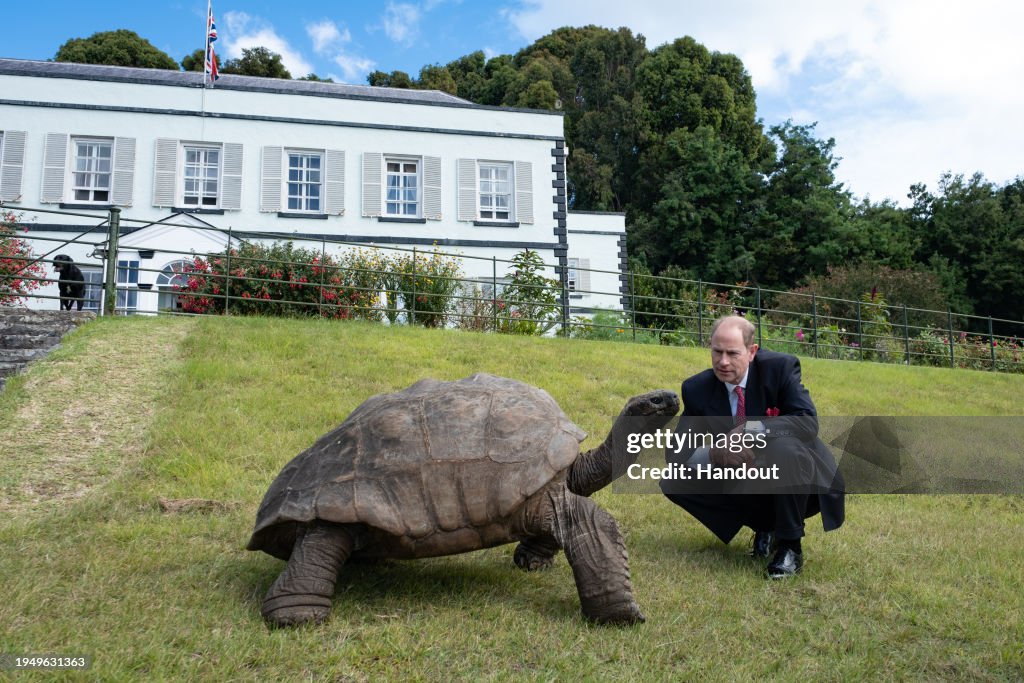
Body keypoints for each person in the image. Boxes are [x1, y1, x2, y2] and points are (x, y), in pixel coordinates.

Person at [661, 314, 844, 578]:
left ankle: (790, 545)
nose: (723, 362)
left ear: (752, 351)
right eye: (717, 352)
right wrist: (714, 452)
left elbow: (806, 423)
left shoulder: (780, 369)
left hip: (803, 480)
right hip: (747, 478)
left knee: (785, 449)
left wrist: (749, 430)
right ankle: (764, 525)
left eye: (732, 353)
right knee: (672, 480)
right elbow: (676, 455)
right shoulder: (697, 388)